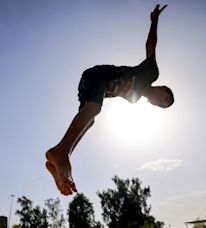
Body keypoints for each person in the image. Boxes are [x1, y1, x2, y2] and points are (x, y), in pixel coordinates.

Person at [46, 5, 174, 195]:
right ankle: (61, 153)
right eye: (165, 98)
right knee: (95, 110)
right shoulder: (151, 73)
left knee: (89, 121)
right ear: (162, 88)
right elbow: (150, 46)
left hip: (89, 88)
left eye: (162, 105)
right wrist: (154, 20)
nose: (160, 102)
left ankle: (59, 160)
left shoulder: (135, 99)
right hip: (98, 75)